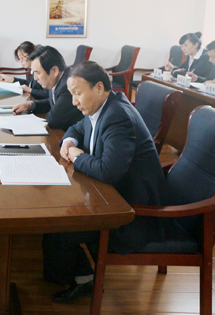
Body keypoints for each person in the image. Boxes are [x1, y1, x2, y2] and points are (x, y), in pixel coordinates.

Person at [44, 61, 165, 304]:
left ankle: (84, 280)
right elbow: (77, 127)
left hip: (133, 214)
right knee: (55, 222)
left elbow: (108, 172)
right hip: (114, 196)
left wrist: (77, 156)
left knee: (57, 228)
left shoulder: (117, 116)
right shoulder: (104, 105)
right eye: (71, 94)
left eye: (77, 93)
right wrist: (69, 141)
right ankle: (68, 274)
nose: (74, 102)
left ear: (99, 87)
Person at [11, 45, 83, 130]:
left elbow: (53, 120)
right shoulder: (58, 79)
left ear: (54, 71)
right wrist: (30, 105)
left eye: (38, 73)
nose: (35, 78)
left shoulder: (67, 86)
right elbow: (52, 101)